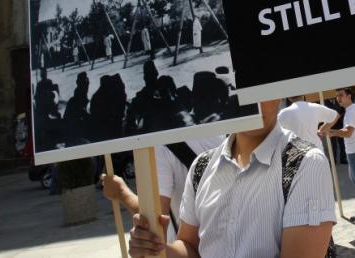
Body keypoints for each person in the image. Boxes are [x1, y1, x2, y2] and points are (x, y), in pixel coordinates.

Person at [127, 99, 336, 258]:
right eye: (242, 89)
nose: (253, 101)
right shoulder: (202, 166)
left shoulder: (305, 162)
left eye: (261, 87)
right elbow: (190, 246)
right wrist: (158, 249)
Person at [102, 135, 224, 243]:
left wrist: (121, 192)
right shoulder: (227, 126)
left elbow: (154, 218)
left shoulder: (159, 145)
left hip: (192, 250)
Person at [326, 88, 355, 221]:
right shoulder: (350, 110)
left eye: (341, 95)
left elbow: (348, 132)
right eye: (336, 96)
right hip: (354, 150)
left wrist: (334, 132)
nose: (338, 98)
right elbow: (347, 130)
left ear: (349, 96)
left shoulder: (352, 110)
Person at [64, 72, 91, 139]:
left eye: (87, 83)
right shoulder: (78, 98)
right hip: (75, 132)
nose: (87, 86)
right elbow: (82, 113)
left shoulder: (80, 96)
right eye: (85, 84)